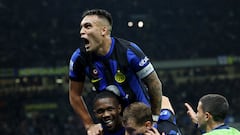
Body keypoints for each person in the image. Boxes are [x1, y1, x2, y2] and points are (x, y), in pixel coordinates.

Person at [68, 8, 162, 132]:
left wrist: (155, 119)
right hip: (111, 122)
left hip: (139, 120)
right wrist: (89, 125)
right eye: (81, 27)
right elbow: (74, 95)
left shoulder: (128, 51)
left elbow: (154, 83)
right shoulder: (79, 58)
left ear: (104, 30)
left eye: (87, 26)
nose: (81, 32)